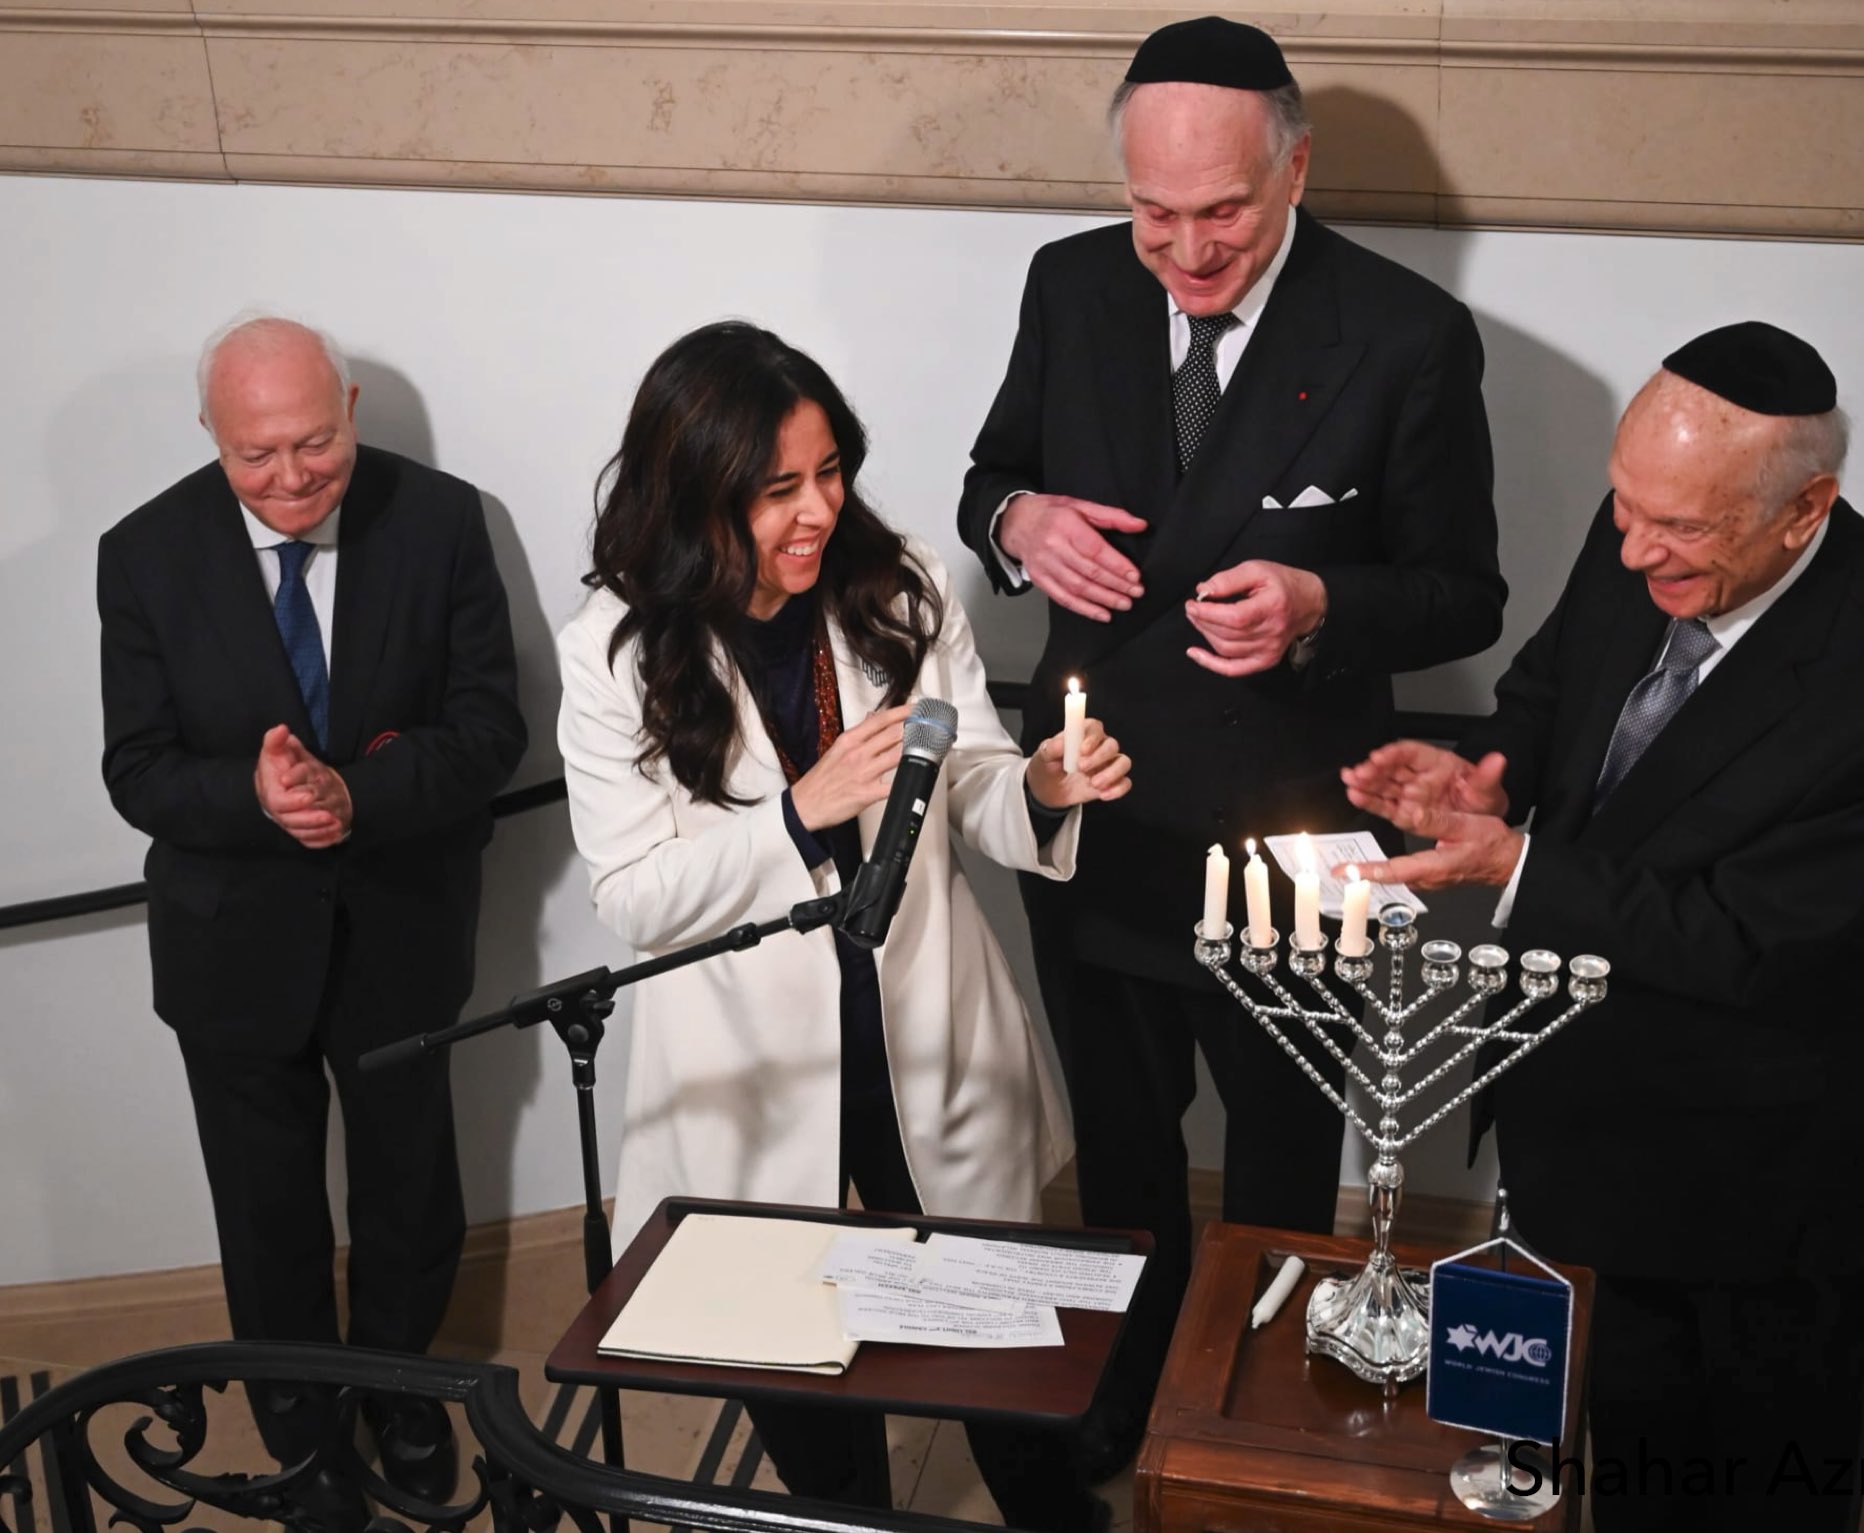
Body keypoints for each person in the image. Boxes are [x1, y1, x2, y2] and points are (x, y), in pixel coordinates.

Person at [956, 13, 1504, 1466]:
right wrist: (1022, 524)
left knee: (1279, 1166)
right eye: (1153, 213)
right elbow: (989, 476)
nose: (1186, 251)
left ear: (1295, 168)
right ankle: (1124, 1419)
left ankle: (1255, 1435)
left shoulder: (1405, 333)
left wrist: (1324, 599)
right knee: (1123, 1163)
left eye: (1222, 215)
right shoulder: (1070, 286)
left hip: (1293, 827)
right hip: (1097, 805)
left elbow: (1467, 592)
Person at [1342, 322, 1864, 1531]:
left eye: (1676, 529)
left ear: (1804, 508)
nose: (1633, 548)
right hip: (1580, 1116)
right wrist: (1489, 775)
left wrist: (1518, 862)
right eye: (1621, 507)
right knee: (1587, 1440)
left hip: (1752, 1187)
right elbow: (1549, 687)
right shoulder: (1647, 521)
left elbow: (1754, 940)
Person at [555, 321, 1131, 1530]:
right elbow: (633, 899)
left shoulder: (900, 582)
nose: (817, 510)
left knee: (1010, 1386)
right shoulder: (613, 654)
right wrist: (793, 817)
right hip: (754, 1069)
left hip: (923, 1021)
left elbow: (964, 775)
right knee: (804, 1408)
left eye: (829, 472)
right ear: (693, 493)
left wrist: (1035, 788)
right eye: (776, 490)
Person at [98, 316, 527, 1526]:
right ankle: (301, 1440)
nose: (289, 479)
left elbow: (491, 732)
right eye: (255, 456)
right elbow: (135, 770)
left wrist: (357, 795)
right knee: (265, 1212)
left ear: (348, 408)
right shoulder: (139, 554)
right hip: (228, 943)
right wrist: (252, 794)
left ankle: (399, 1399)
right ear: (210, 438)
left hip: (399, 928)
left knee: (408, 1194)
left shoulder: (443, 521)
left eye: (313, 446)